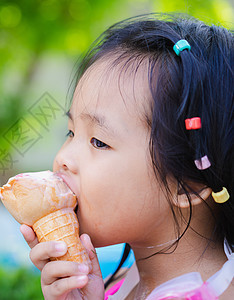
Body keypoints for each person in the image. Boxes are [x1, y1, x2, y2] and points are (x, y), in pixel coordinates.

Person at [20, 13, 233, 299]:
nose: (63, 159)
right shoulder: (120, 281)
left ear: (189, 186)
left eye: (98, 141)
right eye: (71, 132)